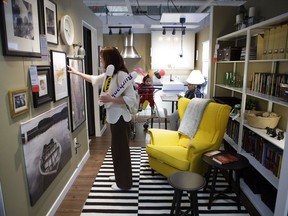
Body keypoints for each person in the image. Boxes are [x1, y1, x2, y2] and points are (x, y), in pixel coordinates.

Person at [67, 47, 136, 190]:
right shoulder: (109, 75)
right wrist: (76, 73)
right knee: (116, 150)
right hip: (114, 119)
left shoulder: (122, 75)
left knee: (121, 151)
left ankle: (124, 184)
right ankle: (119, 176)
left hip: (121, 119)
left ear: (109, 59)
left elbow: (131, 98)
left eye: (102, 58)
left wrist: (111, 98)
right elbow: (93, 79)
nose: (100, 60)